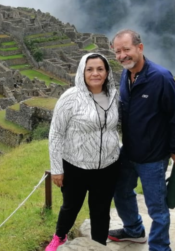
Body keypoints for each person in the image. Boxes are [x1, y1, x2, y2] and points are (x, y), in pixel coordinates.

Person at [109, 29, 175, 250]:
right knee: (120, 191)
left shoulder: (160, 77)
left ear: (140, 48)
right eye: (118, 52)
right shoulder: (125, 75)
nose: (122, 55)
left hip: (153, 155)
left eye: (126, 49)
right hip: (129, 151)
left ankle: (160, 247)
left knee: (156, 207)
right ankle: (134, 230)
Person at [46, 53, 120, 250]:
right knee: (71, 206)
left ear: (107, 72)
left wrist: (117, 150)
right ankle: (60, 236)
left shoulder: (113, 95)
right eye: (90, 69)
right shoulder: (70, 98)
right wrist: (57, 169)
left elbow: (112, 128)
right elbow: (56, 133)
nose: (95, 73)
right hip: (76, 164)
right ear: (82, 72)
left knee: (101, 210)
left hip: (108, 166)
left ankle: (98, 245)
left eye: (100, 69)